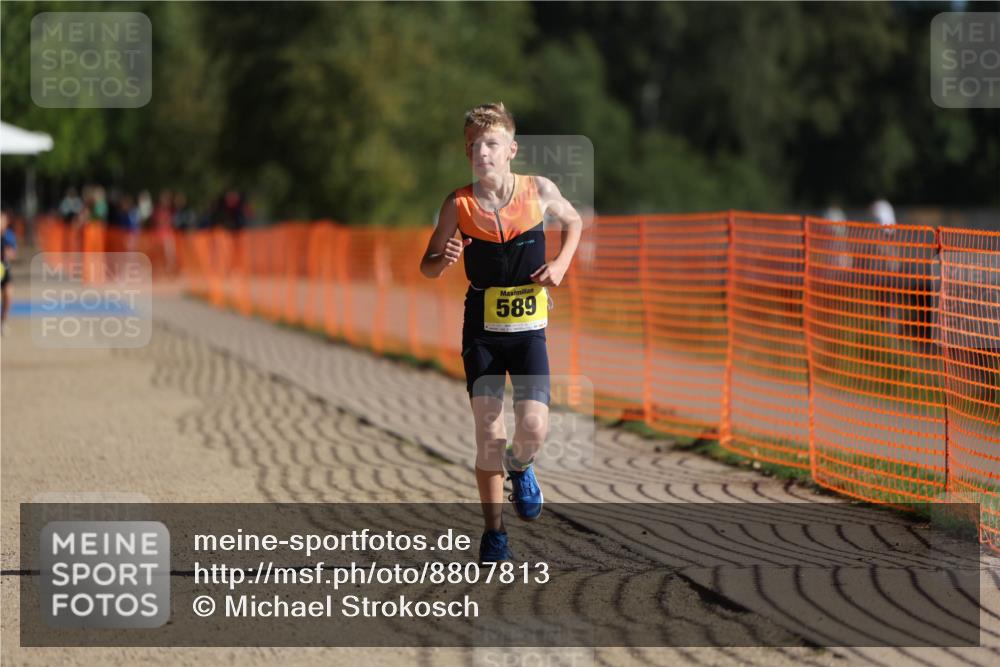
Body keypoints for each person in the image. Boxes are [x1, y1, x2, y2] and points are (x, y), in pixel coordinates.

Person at [419, 103, 582, 563]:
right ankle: (495, 534)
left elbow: (574, 222)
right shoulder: (458, 204)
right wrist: (444, 258)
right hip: (482, 332)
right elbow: (427, 266)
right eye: (474, 145)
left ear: (511, 149)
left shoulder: (538, 190)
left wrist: (561, 263)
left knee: (533, 426)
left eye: (491, 144)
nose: (482, 152)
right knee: (489, 432)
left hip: (528, 332)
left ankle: (522, 465)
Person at [1, 211, 17, 336]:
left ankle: (3, 322)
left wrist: (8, 253)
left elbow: (13, 254)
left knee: (8, 294)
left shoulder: (9, 236)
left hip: (4, 269)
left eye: (3, 220)